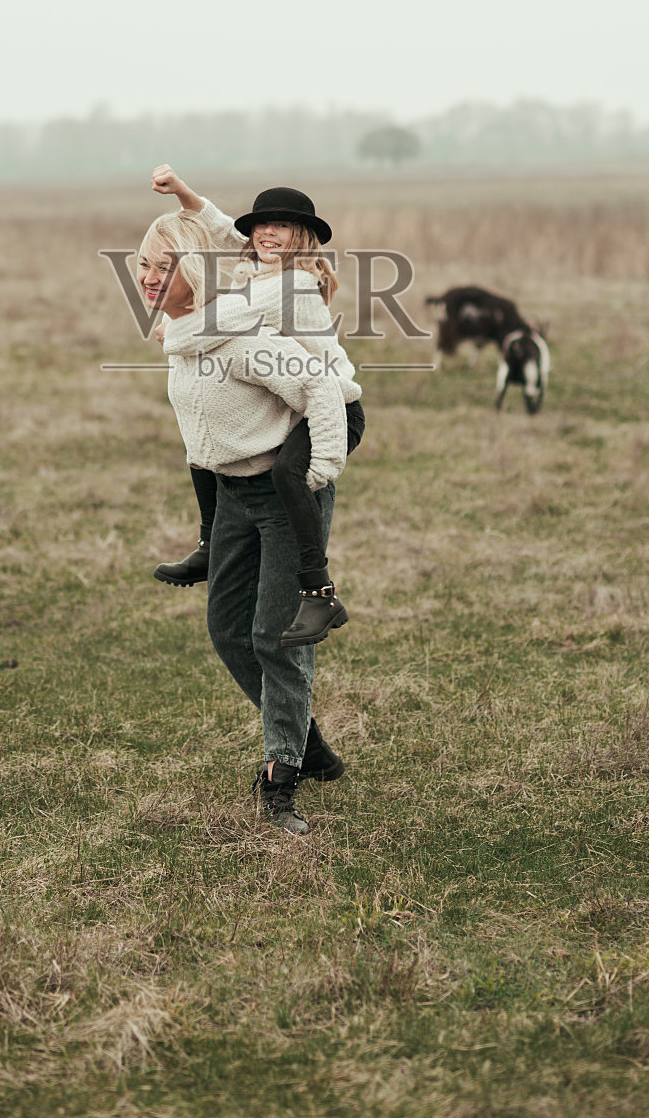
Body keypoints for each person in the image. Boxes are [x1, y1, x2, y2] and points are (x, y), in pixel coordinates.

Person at [138, 206, 348, 834]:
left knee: (274, 639)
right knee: (229, 631)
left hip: (285, 499)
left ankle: (280, 780)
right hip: (233, 499)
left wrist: (316, 473)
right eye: (143, 265)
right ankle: (308, 745)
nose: (147, 278)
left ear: (194, 273)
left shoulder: (244, 342)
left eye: (163, 266)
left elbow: (321, 386)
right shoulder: (183, 336)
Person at [148, 165, 365, 647]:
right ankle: (209, 544)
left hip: (332, 405)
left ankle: (319, 591)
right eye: (262, 224)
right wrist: (183, 191)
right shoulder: (258, 267)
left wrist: (173, 331)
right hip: (297, 395)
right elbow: (225, 228)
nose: (268, 232)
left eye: (282, 226)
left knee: (289, 472)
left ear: (302, 238)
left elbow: (221, 320)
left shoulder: (293, 286)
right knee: (206, 439)